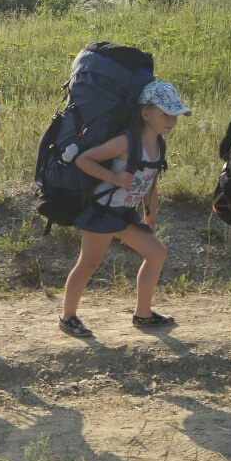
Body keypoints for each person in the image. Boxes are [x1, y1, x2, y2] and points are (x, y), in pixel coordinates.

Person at [58, 81, 189, 337]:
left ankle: (143, 314)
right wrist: (114, 178)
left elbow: (151, 182)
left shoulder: (159, 144)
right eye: (165, 114)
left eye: (175, 114)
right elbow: (84, 160)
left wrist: (150, 215)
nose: (172, 120)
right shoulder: (125, 142)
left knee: (157, 253)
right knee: (88, 263)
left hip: (125, 213)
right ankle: (67, 317)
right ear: (145, 113)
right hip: (103, 210)